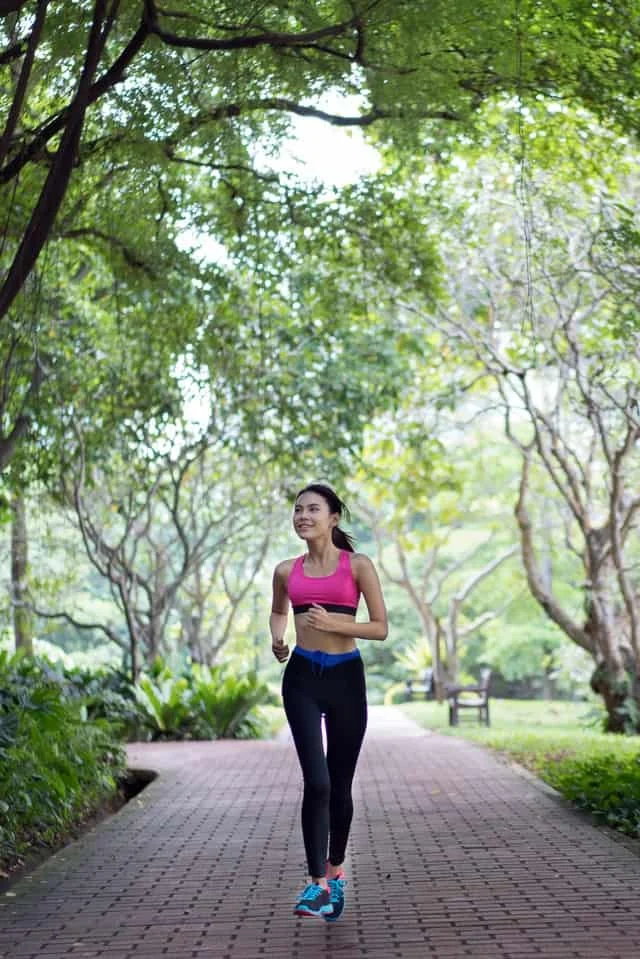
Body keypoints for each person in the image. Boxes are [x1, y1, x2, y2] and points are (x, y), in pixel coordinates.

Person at [270, 483, 388, 919]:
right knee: (315, 782)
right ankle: (315, 883)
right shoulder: (286, 571)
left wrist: (336, 626)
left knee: (339, 785)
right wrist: (278, 636)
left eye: (312, 509)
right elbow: (279, 609)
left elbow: (380, 628)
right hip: (301, 677)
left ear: (334, 518)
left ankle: (335, 871)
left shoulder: (357, 566)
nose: (303, 515)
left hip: (345, 680)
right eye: (298, 509)